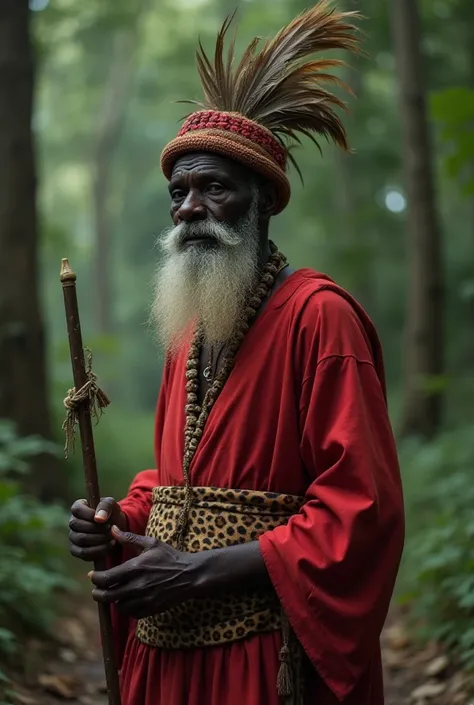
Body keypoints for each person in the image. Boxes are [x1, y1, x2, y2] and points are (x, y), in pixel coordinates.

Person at [68, 3, 404, 704]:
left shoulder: (322, 320)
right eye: (179, 192)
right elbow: (176, 479)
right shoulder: (188, 329)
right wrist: (122, 520)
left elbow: (360, 511)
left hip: (263, 658)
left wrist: (198, 570)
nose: (190, 207)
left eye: (214, 188)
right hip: (167, 659)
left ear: (264, 204)